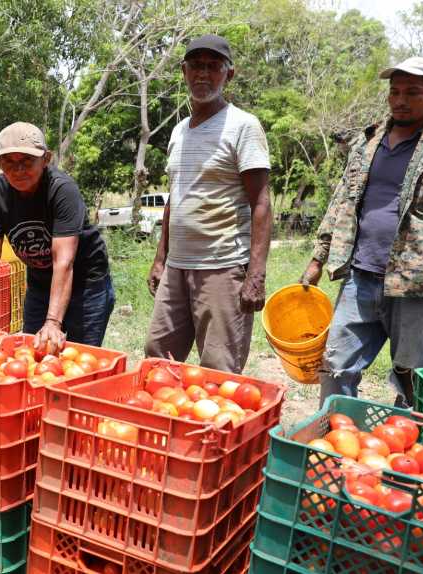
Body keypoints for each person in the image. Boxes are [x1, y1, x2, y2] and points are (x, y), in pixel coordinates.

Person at [300, 57, 423, 407]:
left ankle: (406, 448)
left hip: (417, 285)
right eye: (395, 91)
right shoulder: (369, 141)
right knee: (336, 365)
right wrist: (318, 256)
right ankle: (336, 440)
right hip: (360, 276)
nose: (400, 100)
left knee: (411, 376)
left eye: (413, 92)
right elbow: (343, 200)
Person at [144, 34, 272, 373]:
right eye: (196, 66)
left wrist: (256, 274)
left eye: (213, 67)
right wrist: (161, 259)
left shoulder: (243, 126)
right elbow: (177, 195)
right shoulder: (179, 131)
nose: (203, 75)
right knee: (158, 357)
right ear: (184, 71)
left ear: (229, 75)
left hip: (222, 266)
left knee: (218, 370)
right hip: (178, 267)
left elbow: (261, 201)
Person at [0, 122, 114, 352]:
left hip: (86, 286)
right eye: (9, 162)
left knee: (78, 358)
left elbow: (64, 260)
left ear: (46, 159)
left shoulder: (62, 190)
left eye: (27, 161)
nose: (18, 170)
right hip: (40, 284)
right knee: (33, 354)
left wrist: (52, 321)